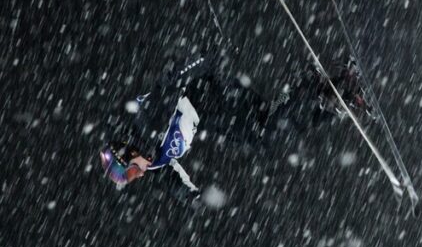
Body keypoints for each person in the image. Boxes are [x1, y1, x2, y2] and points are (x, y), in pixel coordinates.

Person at [100, 53, 374, 202]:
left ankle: (312, 85)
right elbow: (171, 177)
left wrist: (206, 64)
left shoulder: (146, 119)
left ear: (128, 152)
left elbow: (171, 77)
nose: (138, 175)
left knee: (267, 131)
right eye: (131, 179)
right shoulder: (154, 163)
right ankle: (335, 98)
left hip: (209, 97)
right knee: (273, 129)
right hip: (214, 120)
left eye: (131, 172)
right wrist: (190, 196)